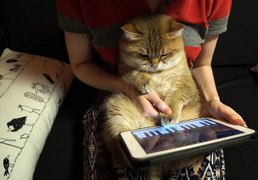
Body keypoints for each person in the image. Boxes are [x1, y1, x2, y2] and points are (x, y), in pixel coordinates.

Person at [57, 0, 247, 179]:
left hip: (185, 110)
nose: (155, 64)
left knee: (190, 166)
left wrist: (212, 101)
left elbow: (202, 64)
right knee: (127, 159)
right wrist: (129, 88)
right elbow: (81, 64)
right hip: (124, 101)